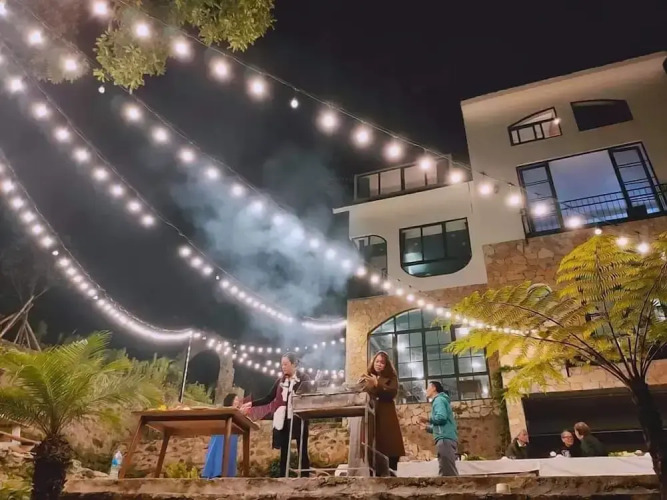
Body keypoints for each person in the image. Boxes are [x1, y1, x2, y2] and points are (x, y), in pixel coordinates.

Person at [242, 353, 312, 477]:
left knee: (302, 448)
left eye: (286, 364)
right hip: (284, 419)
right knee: (284, 449)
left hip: (299, 418)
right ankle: (283, 477)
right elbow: (269, 398)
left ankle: (305, 476)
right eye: (282, 365)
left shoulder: (303, 378)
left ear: (294, 364)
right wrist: (251, 404)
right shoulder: (280, 381)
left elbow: (307, 395)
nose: (283, 367)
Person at [360, 351, 405, 476]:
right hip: (371, 417)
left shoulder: (391, 378)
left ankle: (390, 473)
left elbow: (392, 392)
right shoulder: (368, 377)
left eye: (382, 362)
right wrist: (362, 385)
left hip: (386, 416)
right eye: (377, 361)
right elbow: (361, 394)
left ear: (386, 365)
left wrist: (377, 384)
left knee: (388, 446)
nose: (379, 364)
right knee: (371, 446)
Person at [419, 381, 458, 476]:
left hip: (445, 439)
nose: (426, 390)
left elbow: (441, 418)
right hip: (445, 438)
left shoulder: (439, 400)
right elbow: (440, 426)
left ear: (434, 388)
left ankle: (452, 485)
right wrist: (427, 428)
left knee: (447, 470)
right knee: (446, 468)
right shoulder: (440, 400)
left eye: (428, 387)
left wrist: (427, 419)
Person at [202, 393, 241, 478]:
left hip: (232, 435)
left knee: (230, 453)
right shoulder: (224, 410)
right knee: (218, 452)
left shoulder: (237, 412)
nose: (237, 402)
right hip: (221, 434)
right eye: (236, 399)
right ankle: (216, 472)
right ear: (231, 401)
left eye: (238, 400)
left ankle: (228, 473)